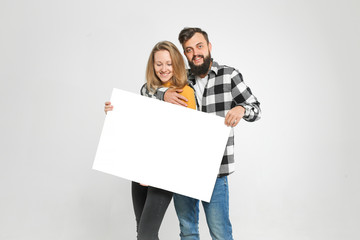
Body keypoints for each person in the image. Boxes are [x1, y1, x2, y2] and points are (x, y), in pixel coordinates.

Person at [143, 27, 261, 240]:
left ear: (209, 47)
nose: (195, 53)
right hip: (183, 168)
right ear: (185, 54)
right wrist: (164, 93)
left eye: (199, 46)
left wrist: (242, 109)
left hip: (215, 170)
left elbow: (256, 108)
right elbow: (146, 90)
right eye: (189, 50)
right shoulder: (181, 79)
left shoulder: (228, 75)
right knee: (188, 230)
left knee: (220, 232)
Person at [104, 41, 196, 240]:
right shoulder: (147, 90)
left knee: (146, 232)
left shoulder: (185, 93)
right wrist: (115, 113)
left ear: (177, 64)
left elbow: (184, 140)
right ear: (152, 66)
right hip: (140, 167)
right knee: (142, 230)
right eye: (159, 64)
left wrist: (152, 171)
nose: (164, 69)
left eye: (169, 64)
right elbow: (140, 127)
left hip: (164, 171)